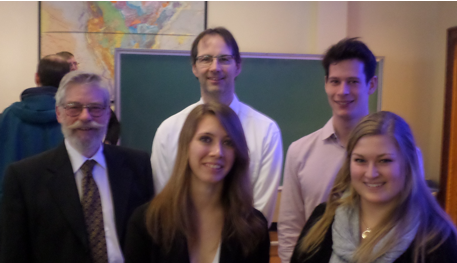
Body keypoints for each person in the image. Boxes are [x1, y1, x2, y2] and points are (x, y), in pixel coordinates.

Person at [0, 71, 154, 263]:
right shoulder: (24, 178)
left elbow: (152, 242)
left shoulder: (137, 166)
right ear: (59, 113)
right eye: (74, 107)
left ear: (108, 114)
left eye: (95, 107)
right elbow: (13, 255)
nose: (85, 116)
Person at [150, 27, 283, 225]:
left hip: (241, 248)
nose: (215, 67)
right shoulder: (168, 131)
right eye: (206, 59)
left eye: (224, 59)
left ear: (238, 66)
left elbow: (259, 213)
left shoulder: (266, 132)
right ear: (194, 67)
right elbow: (165, 202)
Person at [290, 111, 457, 263]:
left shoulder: (437, 239)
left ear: (408, 164)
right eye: (360, 160)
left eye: (384, 161)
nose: (371, 173)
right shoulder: (321, 220)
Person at [125, 103, 270, 263]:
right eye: (206, 139)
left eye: (228, 142)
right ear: (186, 146)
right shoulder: (147, 223)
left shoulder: (254, 227)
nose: (217, 152)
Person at [278, 38, 379, 262]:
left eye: (353, 81)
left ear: (371, 84)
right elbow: (290, 230)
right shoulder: (299, 152)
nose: (342, 91)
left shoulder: (395, 155)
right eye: (335, 81)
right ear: (326, 83)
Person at [0, 54, 70, 198]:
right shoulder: (71, 117)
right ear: (65, 82)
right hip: (60, 204)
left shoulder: (8, 115)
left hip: (12, 201)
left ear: (37, 77)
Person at [56, 51, 121, 145]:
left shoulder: (89, 91)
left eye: (75, 63)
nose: (74, 67)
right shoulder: (57, 93)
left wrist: (108, 143)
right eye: (70, 65)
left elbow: (114, 124)